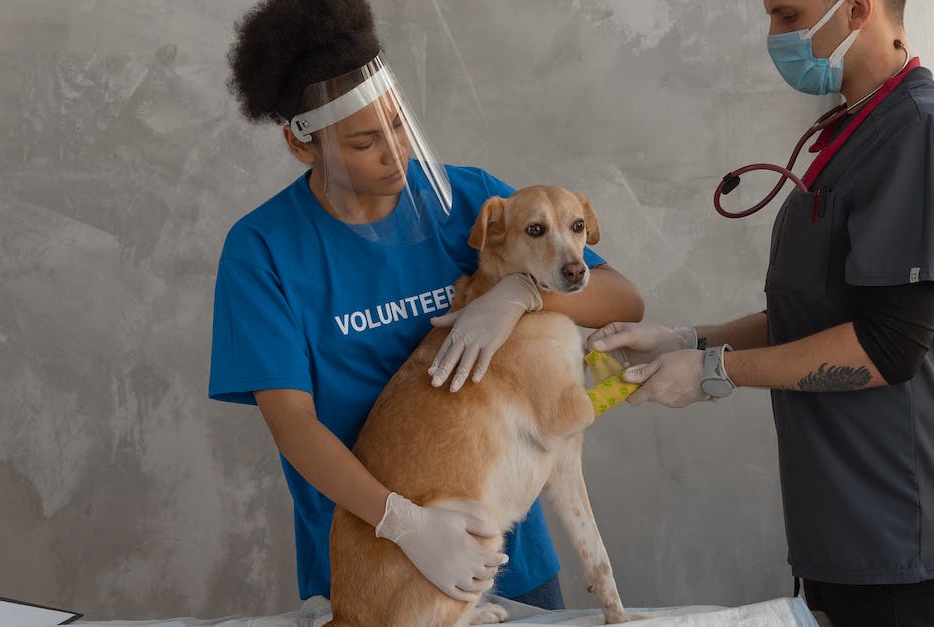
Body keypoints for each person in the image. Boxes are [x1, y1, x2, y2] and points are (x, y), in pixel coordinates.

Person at [209, 0, 644, 609]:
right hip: (383, 568)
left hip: (508, 556)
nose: (396, 152)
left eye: (398, 124)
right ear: (302, 145)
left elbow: (623, 298)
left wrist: (521, 294)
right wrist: (406, 525)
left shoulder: (467, 199)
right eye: (365, 141)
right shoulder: (263, 252)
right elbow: (294, 426)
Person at [588, 1, 934, 625]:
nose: (776, 36)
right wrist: (684, 339)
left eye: (789, 13)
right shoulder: (851, 131)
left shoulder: (919, 130)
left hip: (895, 524)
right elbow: (819, 314)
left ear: (856, 9)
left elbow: (888, 346)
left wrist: (715, 371)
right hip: (835, 521)